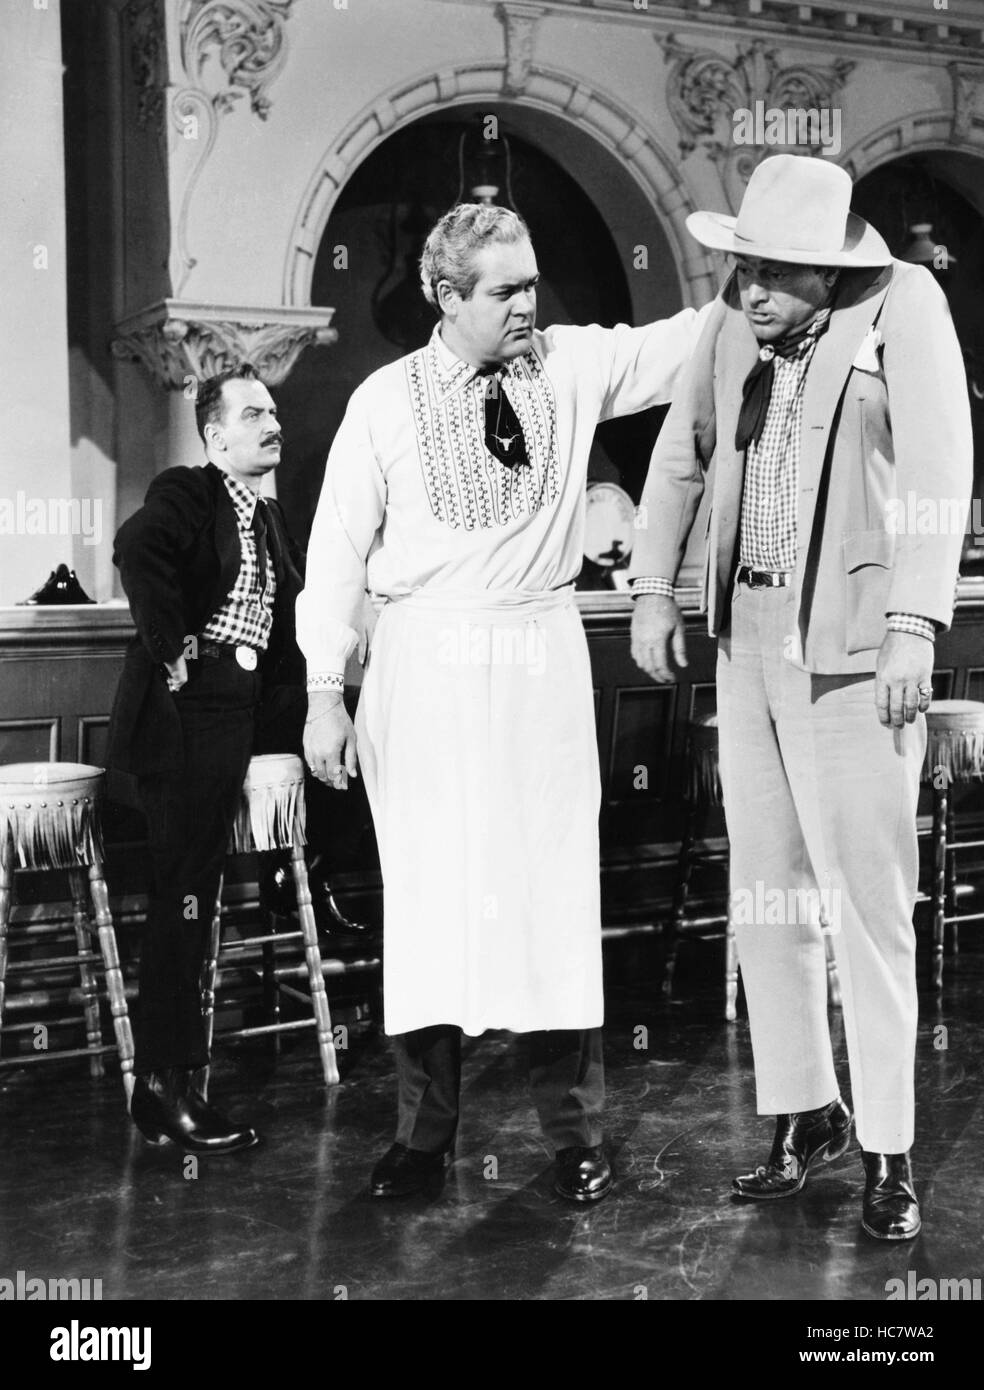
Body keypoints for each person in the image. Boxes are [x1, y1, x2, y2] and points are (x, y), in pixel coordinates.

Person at [298, 202, 707, 1203]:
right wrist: (322, 689)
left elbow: (680, 344)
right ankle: (423, 1138)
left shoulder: (568, 363)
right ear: (447, 296)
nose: (531, 303)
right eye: (507, 290)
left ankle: (575, 1138)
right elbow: (336, 554)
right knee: (432, 905)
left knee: (552, 898)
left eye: (533, 282)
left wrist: (769, 261)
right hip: (423, 664)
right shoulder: (383, 403)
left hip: (537, 657)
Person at [629, 154, 972, 1240]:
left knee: (868, 904)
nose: (750, 289)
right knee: (767, 896)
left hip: (859, 646)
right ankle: (801, 1112)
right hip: (752, 639)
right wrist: (652, 586)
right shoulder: (733, 322)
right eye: (741, 268)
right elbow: (678, 458)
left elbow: (936, 466)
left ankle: (889, 1146)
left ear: (829, 269)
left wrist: (917, 621)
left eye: (773, 273)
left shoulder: (903, 304)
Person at [107, 363, 306, 1155]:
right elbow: (135, 547)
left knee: (345, 760)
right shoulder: (190, 492)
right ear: (215, 434)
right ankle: (163, 1088)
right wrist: (172, 643)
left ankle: (315, 886)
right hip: (184, 719)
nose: (273, 423)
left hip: (242, 715)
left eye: (275, 411)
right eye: (253, 413)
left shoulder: (270, 516)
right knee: (184, 898)